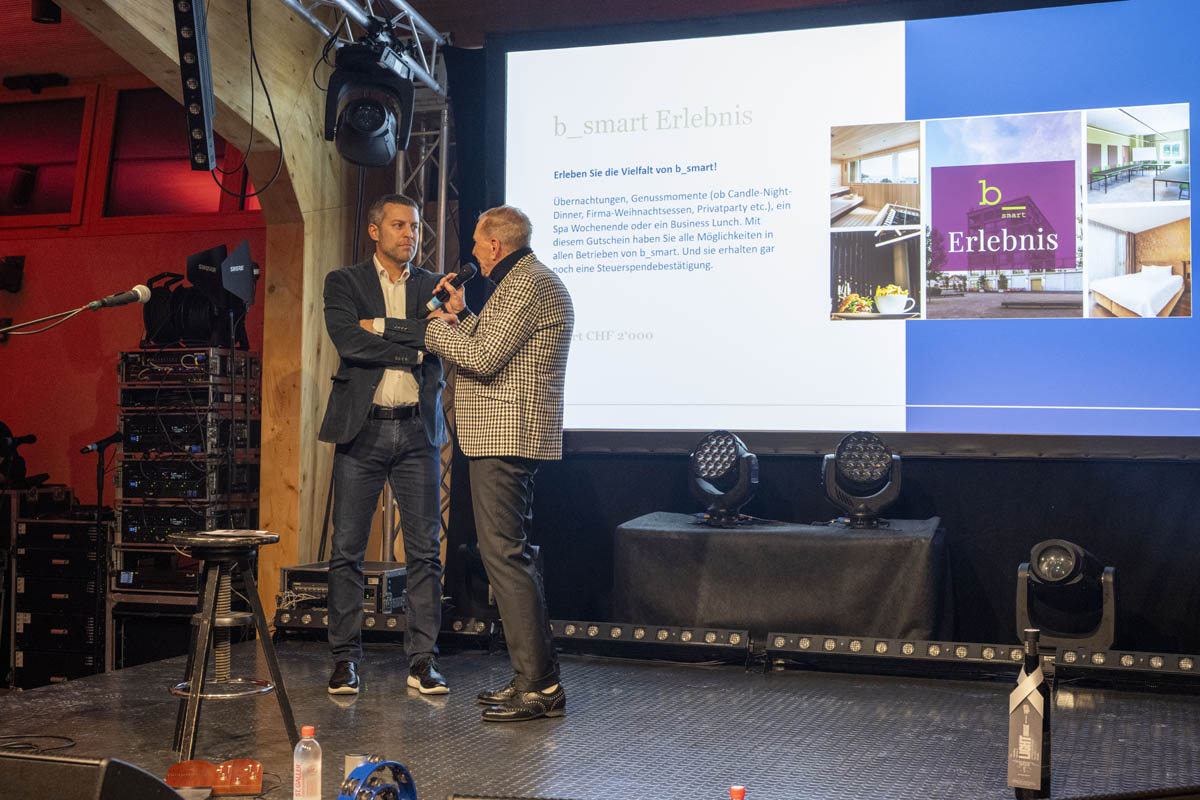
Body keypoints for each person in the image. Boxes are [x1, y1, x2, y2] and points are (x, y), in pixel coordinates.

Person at [381, 205, 574, 722]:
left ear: (494, 245)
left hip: (507, 436)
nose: (471, 251)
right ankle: (536, 677)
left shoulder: (527, 283)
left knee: (506, 557)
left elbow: (484, 359)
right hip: (501, 435)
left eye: (475, 242)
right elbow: (491, 346)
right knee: (507, 556)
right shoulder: (522, 282)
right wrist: (461, 315)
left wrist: (429, 330)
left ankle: (540, 684)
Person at [318, 193, 448, 697]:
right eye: (398, 225)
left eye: (414, 227)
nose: (410, 235)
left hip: (417, 431)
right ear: (375, 231)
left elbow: (443, 341)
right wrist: (414, 345)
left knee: (425, 553)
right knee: (347, 550)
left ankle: (422, 662)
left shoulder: (433, 285)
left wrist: (386, 331)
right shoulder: (344, 282)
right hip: (363, 429)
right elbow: (349, 342)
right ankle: (345, 660)